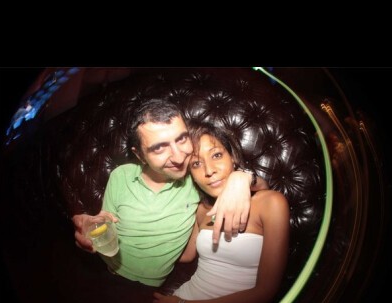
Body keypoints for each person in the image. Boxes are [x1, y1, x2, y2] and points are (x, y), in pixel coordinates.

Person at [72, 99, 268, 287]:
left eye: (182, 139)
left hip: (139, 288)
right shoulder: (120, 175)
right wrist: (91, 227)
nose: (179, 157)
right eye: (159, 148)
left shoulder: (195, 177)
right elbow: (106, 221)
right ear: (140, 155)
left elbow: (263, 189)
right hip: (98, 268)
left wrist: (241, 178)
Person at [137, 121, 290, 303]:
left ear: (232, 157)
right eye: (196, 164)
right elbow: (186, 255)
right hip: (184, 300)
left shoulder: (271, 203)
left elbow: (264, 293)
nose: (209, 170)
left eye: (216, 155)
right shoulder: (201, 209)